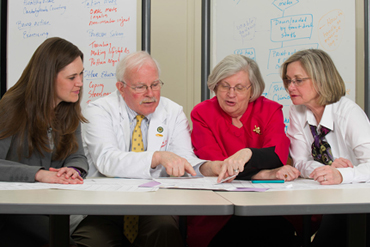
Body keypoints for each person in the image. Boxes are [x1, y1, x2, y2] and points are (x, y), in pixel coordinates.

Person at [72, 51, 219, 247]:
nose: (150, 94)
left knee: (164, 231)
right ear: (121, 88)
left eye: (155, 85)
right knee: (92, 242)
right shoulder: (98, 110)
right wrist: (156, 157)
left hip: (155, 202)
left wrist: (207, 167)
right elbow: (107, 160)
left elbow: (184, 158)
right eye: (140, 87)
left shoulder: (172, 111)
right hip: (107, 203)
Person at [187, 54, 300, 247]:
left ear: (252, 90)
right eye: (224, 86)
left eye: (239, 88)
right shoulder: (202, 113)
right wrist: (266, 173)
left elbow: (277, 154)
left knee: (278, 233)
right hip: (220, 210)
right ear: (215, 86)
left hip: (267, 204)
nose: (231, 94)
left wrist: (249, 154)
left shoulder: (270, 110)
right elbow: (220, 168)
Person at [0, 37, 88, 246]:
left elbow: (77, 155)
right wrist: (39, 174)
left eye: (82, 74)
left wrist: (73, 169)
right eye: (72, 77)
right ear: (48, 78)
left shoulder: (68, 108)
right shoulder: (10, 108)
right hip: (16, 211)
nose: (80, 83)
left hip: (55, 206)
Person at [282, 48, 370, 246]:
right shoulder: (297, 110)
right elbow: (300, 162)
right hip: (329, 199)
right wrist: (326, 170)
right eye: (288, 80)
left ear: (321, 79)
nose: (290, 87)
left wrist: (341, 175)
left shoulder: (348, 113)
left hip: (358, 205)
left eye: (298, 80)